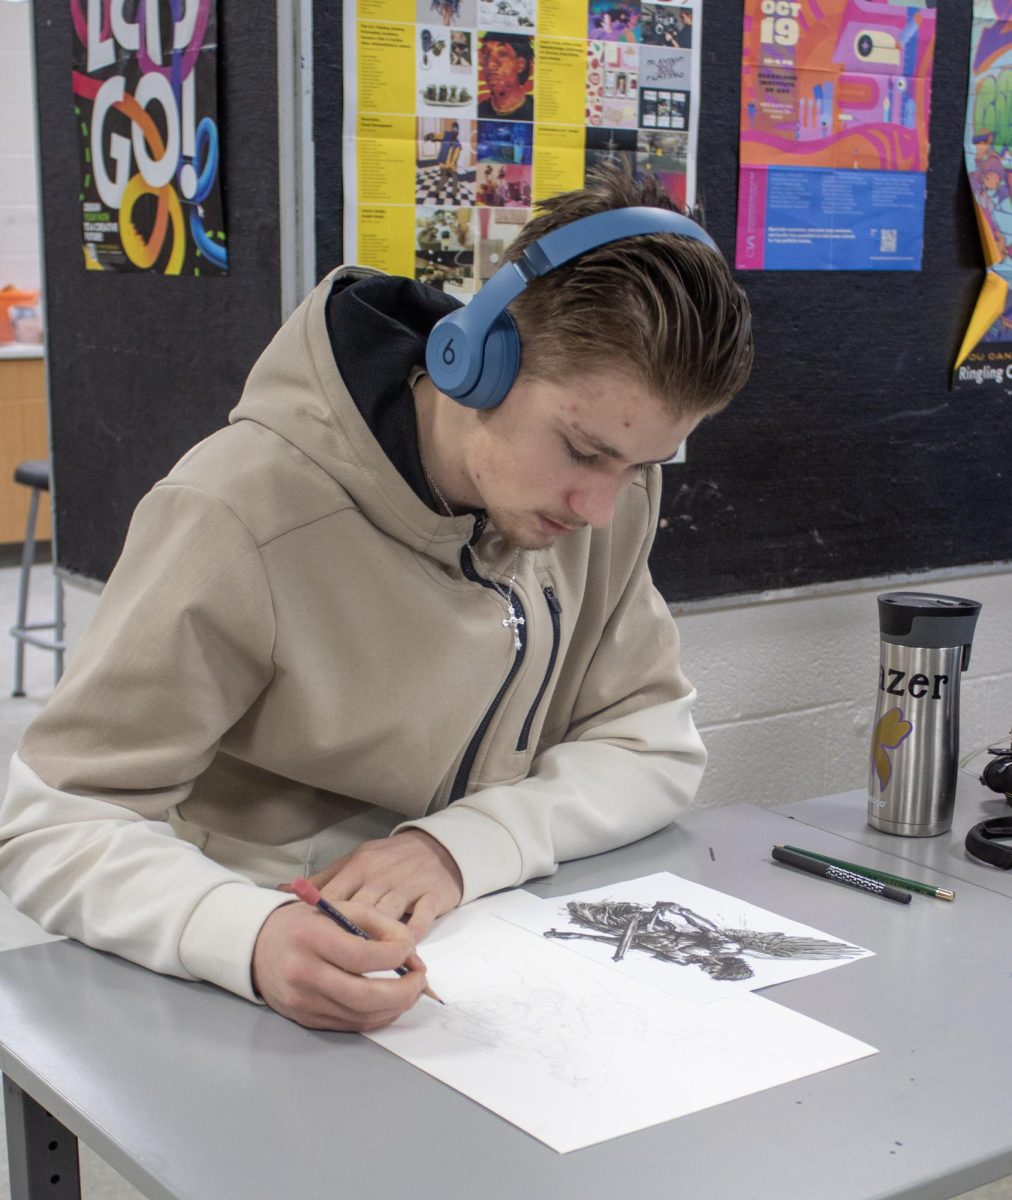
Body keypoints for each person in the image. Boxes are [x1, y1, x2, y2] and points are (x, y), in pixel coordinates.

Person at [0, 167, 753, 1032]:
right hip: (281, 981)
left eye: (642, 466)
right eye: (583, 451)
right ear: (475, 358)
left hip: (488, 957)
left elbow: (652, 746)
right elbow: (56, 821)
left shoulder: (592, 505)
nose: (601, 510)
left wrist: (456, 847)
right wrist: (248, 935)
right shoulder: (237, 513)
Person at [477, 33, 535, 121]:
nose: (490, 65)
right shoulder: (479, 111)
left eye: (502, 54)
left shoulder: (535, 111)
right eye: (486, 54)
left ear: (520, 64)